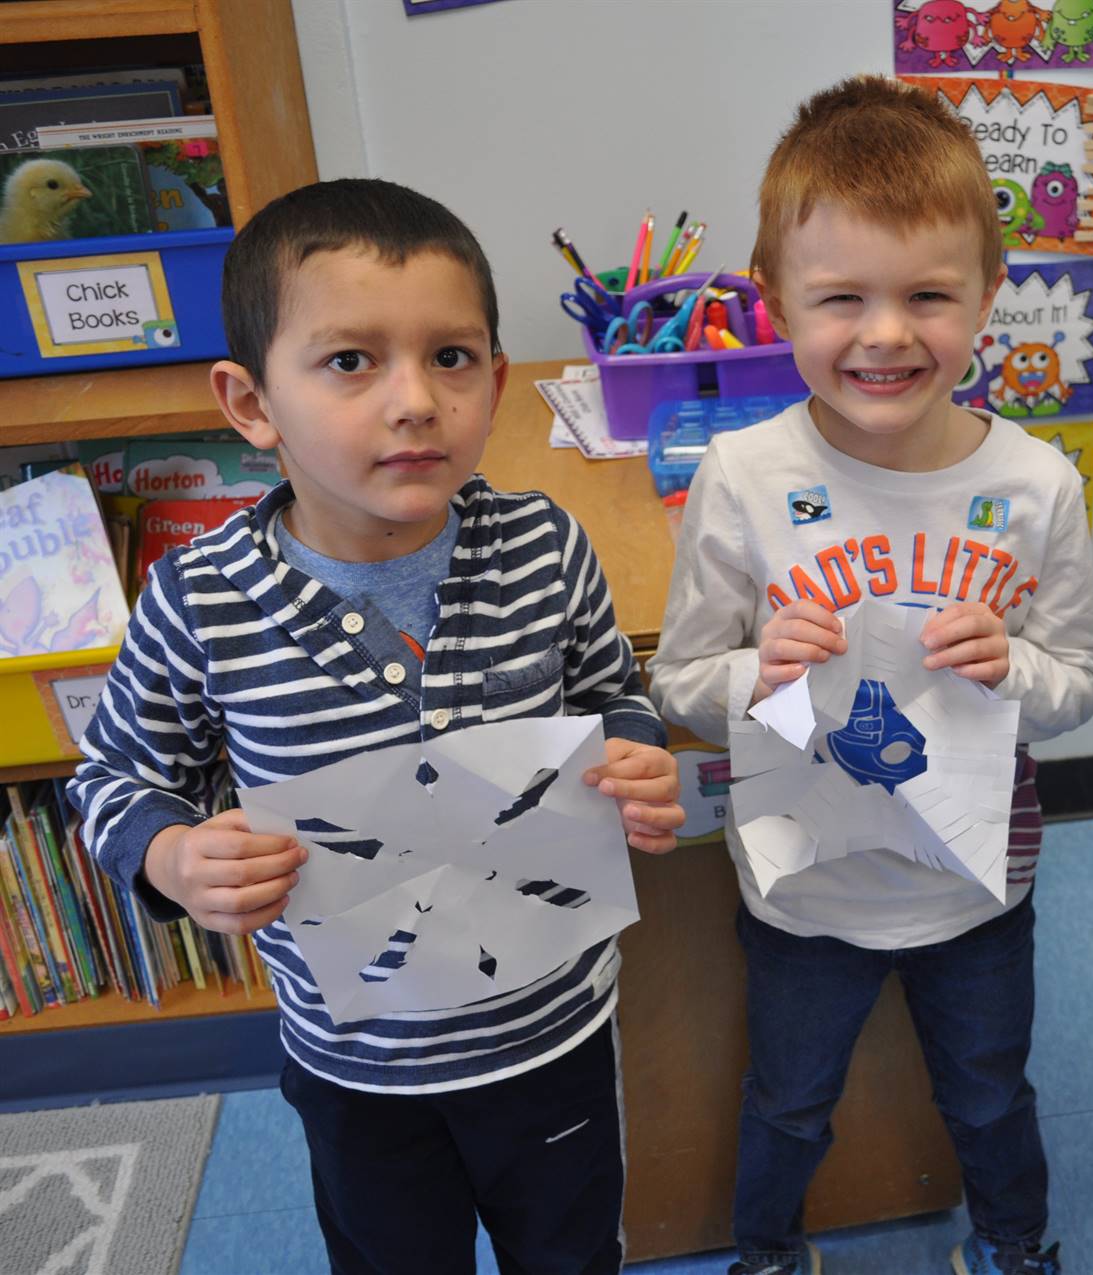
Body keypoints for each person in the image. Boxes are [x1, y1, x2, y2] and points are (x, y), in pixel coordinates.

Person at [68, 177, 685, 1275]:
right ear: (252, 403)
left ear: (496, 380)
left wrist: (634, 753)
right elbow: (115, 774)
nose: (414, 400)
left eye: (451, 358)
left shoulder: (546, 546)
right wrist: (170, 853)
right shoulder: (203, 600)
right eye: (351, 361)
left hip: (553, 1036)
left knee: (576, 1254)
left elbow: (609, 693)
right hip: (358, 1068)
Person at [648, 75, 1093, 1275]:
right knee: (790, 1101)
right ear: (775, 303)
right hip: (803, 889)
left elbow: (1084, 683)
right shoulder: (742, 479)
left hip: (978, 882)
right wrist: (756, 672)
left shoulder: (1037, 487)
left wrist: (1015, 671)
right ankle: (766, 1251)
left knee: (993, 1098)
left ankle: (1016, 1246)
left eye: (928, 296)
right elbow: (680, 683)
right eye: (841, 297)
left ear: (989, 296)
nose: (887, 334)